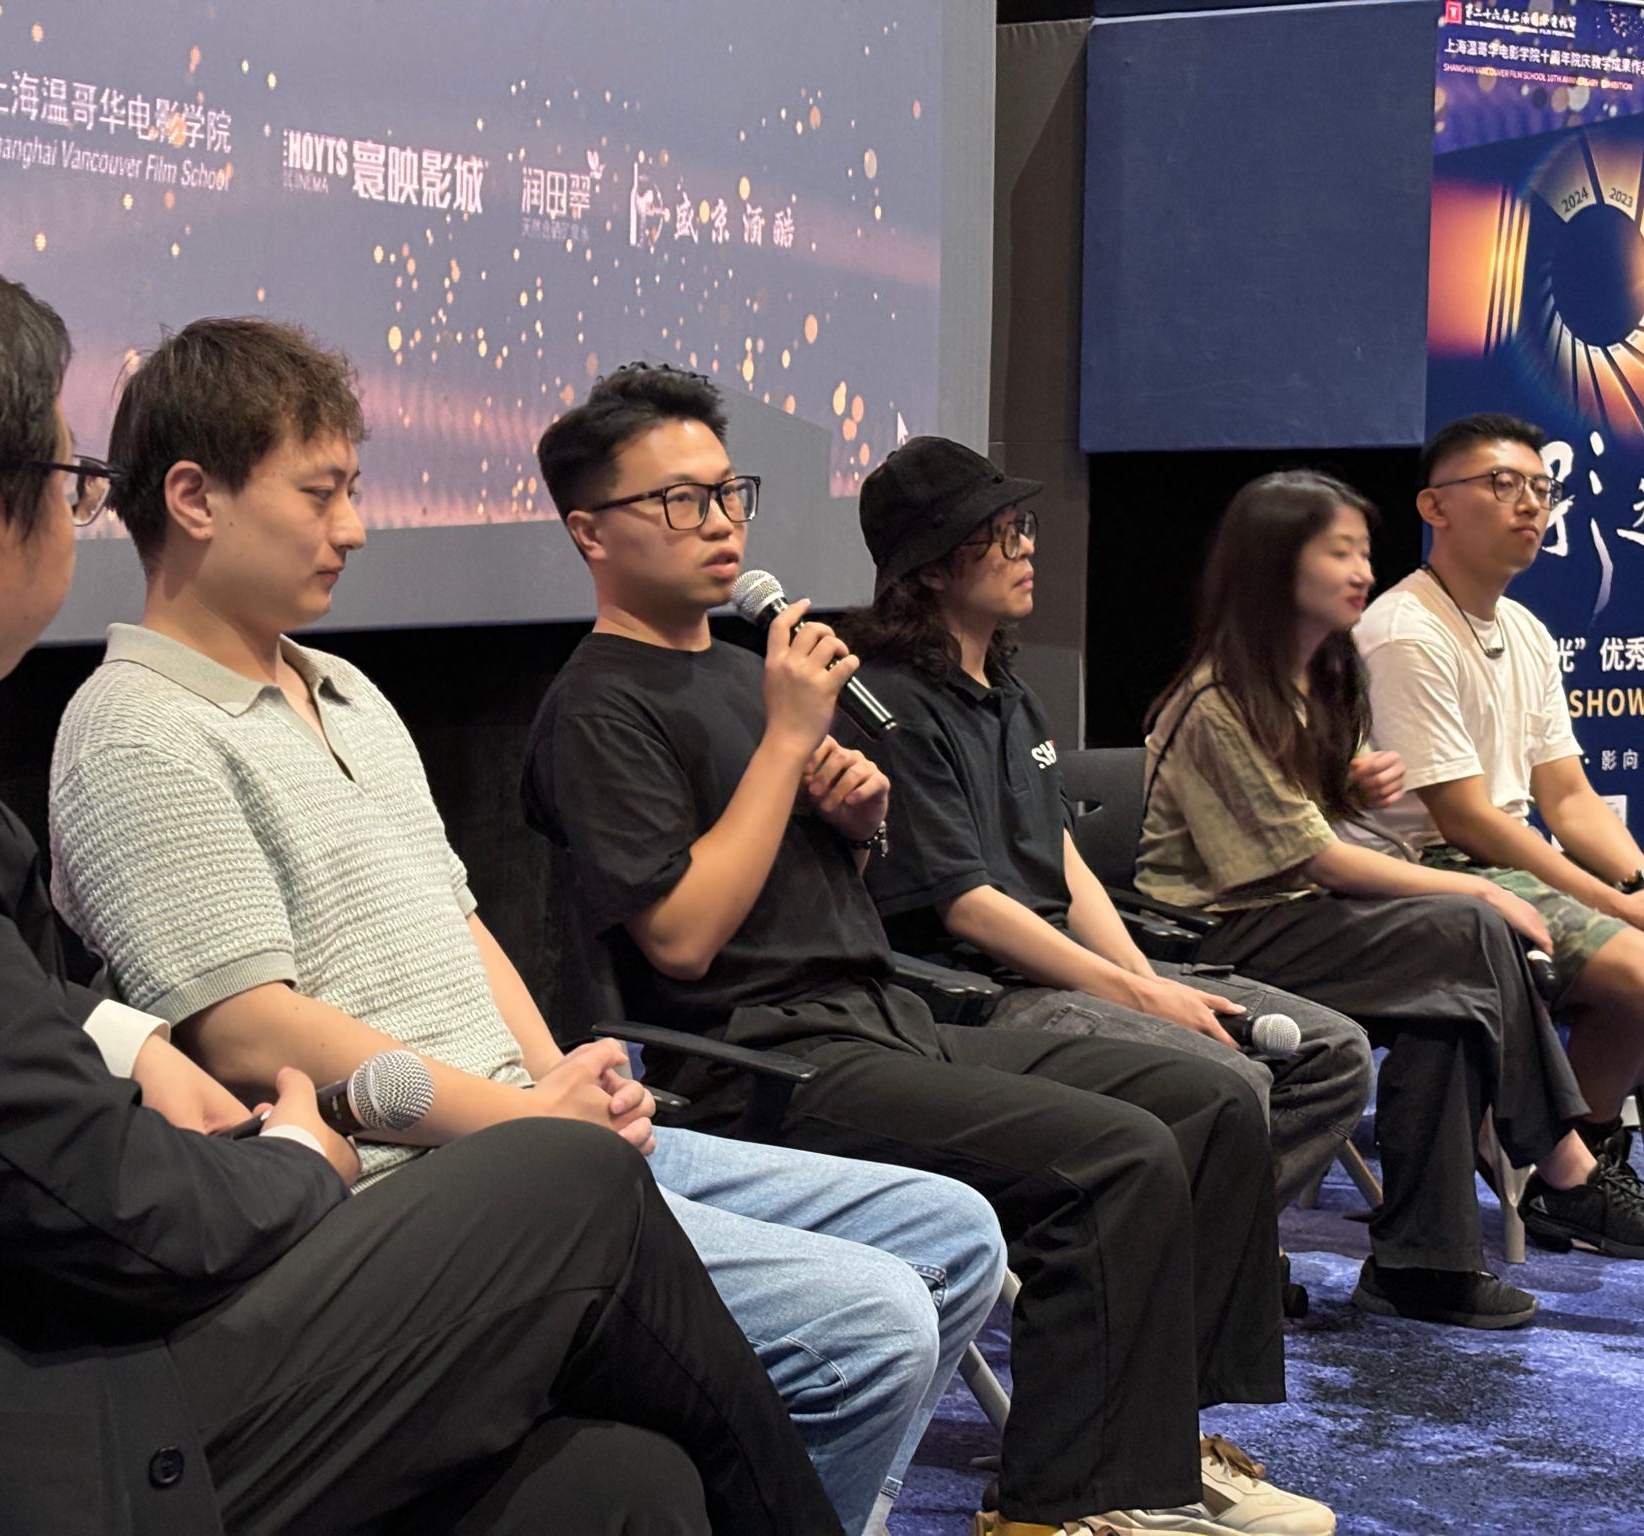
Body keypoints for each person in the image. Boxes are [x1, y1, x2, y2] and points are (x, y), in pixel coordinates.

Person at [0, 248, 842, 1536]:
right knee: (571, 1196)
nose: (351, 528)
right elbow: (125, 1210)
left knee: (619, 1486)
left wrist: (121, 1035)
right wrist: (304, 1157)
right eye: (72, 485)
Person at [45, 317, 1006, 1536]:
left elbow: (457, 919)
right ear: (193, 498)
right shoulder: (133, 728)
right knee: (873, 1324)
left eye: (353, 490)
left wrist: (563, 1078)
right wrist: (535, 1126)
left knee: (951, 1237)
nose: (353, 527)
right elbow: (245, 1032)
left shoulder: (346, 688)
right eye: (321, 493)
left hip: (533, 1128)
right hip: (413, 1188)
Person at [521, 363, 1335, 1536]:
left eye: (728, 493)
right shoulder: (599, 705)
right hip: (761, 1062)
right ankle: (1063, 1508)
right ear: (590, 532)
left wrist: (855, 826)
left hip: (883, 1015)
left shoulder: (750, 673)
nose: (720, 522)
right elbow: (684, 942)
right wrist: (785, 747)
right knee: (1111, 1159)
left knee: (1206, 1100)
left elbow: (803, 894)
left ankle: (1157, 1455)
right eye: (679, 501)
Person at [1137, 468, 1643, 1331]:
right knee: (1471, 924)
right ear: (1274, 565)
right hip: (1216, 933)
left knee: (1450, 1007)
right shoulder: (1220, 699)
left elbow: (1305, 820)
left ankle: (1424, 1264)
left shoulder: (1314, 678)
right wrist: (1473, 886)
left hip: (1293, 916)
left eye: (1365, 552)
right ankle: (1561, 1167)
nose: (1363, 571)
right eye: (1339, 552)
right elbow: (1320, 861)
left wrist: (1347, 784)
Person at [841, 436, 1373, 1219]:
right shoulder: (892, 705)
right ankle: (1186, 1258)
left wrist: (1144, 982)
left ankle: (1201, 1251)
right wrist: (1135, 995)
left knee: (1334, 1056)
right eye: (998, 535)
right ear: (929, 568)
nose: (1026, 548)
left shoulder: (1012, 694)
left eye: (1022, 527)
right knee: (1231, 1078)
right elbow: (969, 907)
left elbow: (1061, 857)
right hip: (987, 988)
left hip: (1072, 966)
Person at [1353, 412, 1644, 1246]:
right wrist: (1615, 906)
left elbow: (1571, 798)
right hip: (1427, 872)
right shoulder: (1404, 630)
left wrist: (1638, 886)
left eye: (1540, 489)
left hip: (1504, 861)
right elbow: (1466, 818)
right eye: (1501, 483)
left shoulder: (1526, 631)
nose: (1529, 504)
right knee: (1636, 966)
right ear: (1434, 507)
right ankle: (1572, 1177)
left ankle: (1582, 1161)